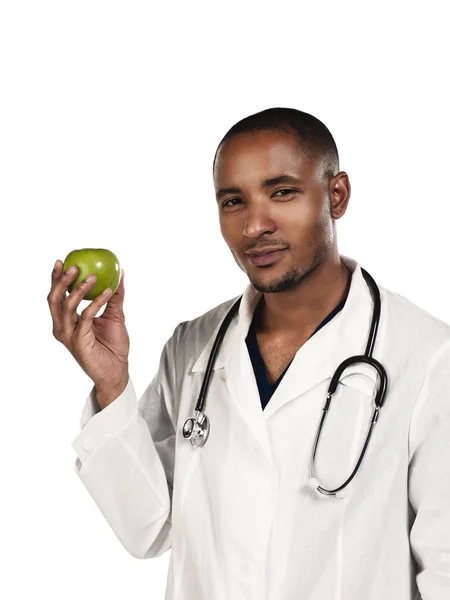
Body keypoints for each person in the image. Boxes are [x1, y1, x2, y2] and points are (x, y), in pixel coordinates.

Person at [48, 107, 450, 599]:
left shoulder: (428, 356)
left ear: (336, 195)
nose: (254, 225)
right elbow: (148, 528)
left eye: (282, 192)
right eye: (233, 201)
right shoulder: (192, 349)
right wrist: (111, 386)